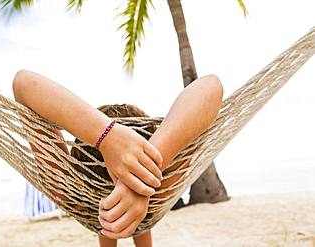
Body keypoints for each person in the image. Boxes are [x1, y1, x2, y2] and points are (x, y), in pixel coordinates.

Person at [12, 70, 223, 246]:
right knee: (141, 210)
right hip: (151, 197)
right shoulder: (163, 186)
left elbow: (24, 83)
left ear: (78, 165)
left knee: (108, 214)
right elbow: (210, 86)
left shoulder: (69, 192)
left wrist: (106, 136)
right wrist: (145, 171)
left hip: (94, 206)